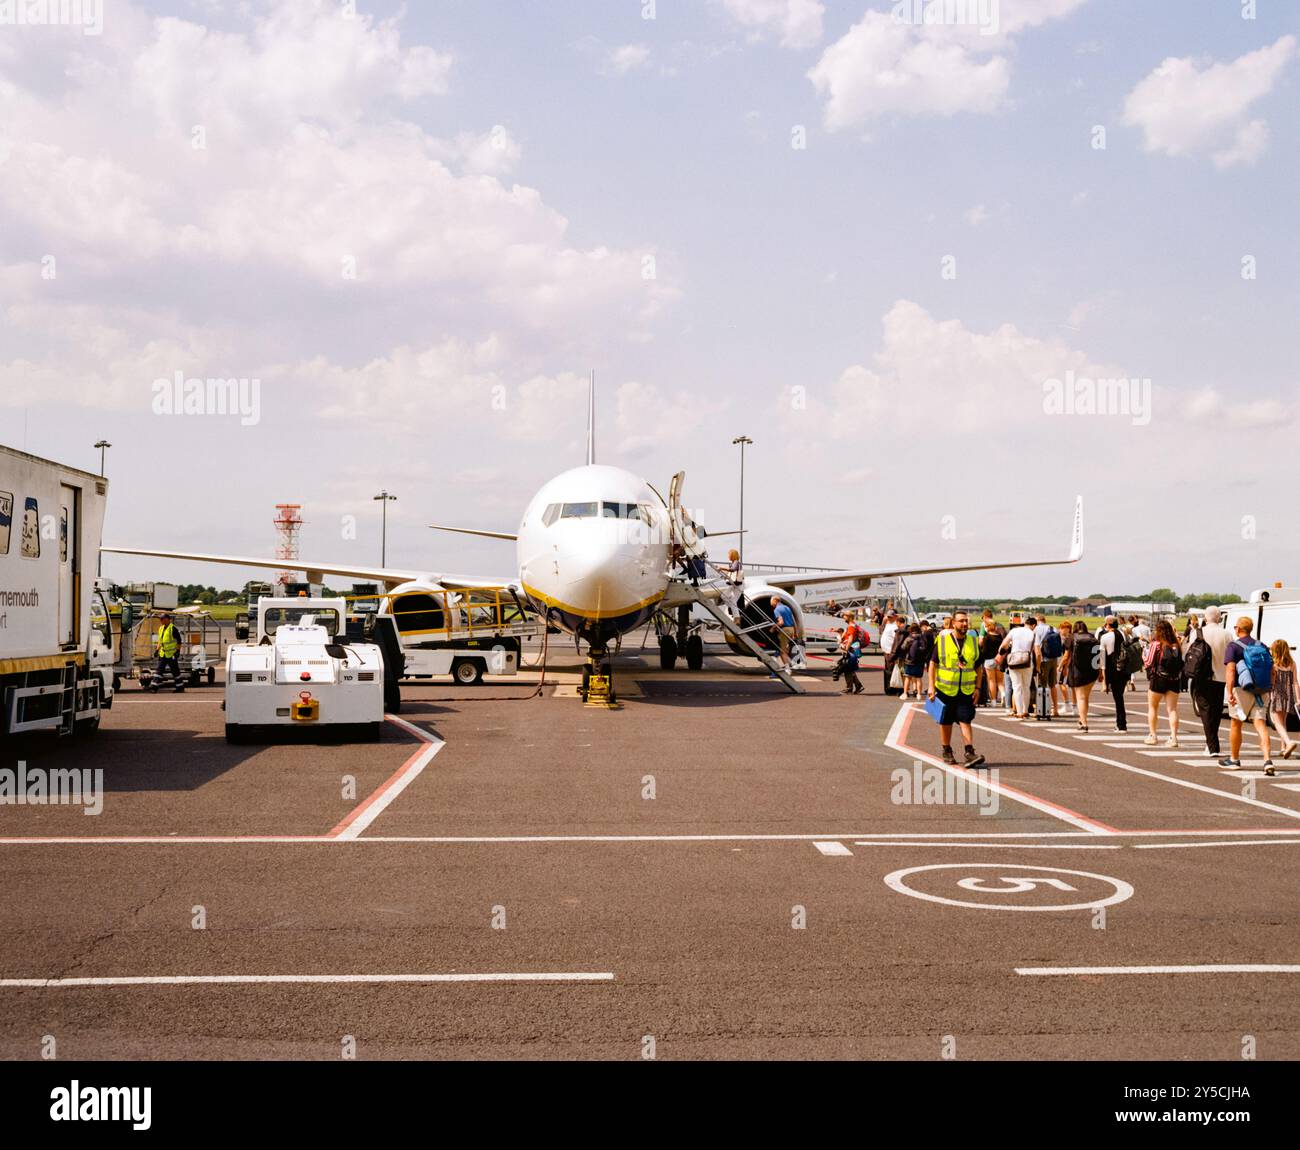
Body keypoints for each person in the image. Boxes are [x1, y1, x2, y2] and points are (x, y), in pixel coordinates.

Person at [927, 610, 986, 768]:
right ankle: (947, 750)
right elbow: (933, 663)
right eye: (961, 621)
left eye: (966, 621)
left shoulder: (973, 641)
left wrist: (978, 687)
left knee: (965, 719)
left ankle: (969, 751)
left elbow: (978, 666)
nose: (964, 624)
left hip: (966, 690)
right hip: (945, 689)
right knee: (946, 721)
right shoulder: (943, 640)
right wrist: (931, 686)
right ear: (953, 623)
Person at [1220, 616, 1273, 770]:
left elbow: (1230, 669)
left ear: (1239, 629)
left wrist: (1229, 692)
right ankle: (1267, 760)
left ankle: (1234, 759)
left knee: (1236, 724)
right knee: (1260, 724)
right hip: (1261, 689)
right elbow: (1271, 669)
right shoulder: (1261, 645)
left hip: (1241, 689)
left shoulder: (1233, 647)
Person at [1190, 606, 1230, 757]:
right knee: (1216, 710)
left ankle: (1212, 745)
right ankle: (1212, 742)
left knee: (1205, 710)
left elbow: (1190, 652)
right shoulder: (1226, 634)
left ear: (1205, 618)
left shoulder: (1197, 633)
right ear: (1219, 617)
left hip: (1202, 676)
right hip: (1220, 676)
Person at [1142, 618, 1183, 747]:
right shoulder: (1177, 644)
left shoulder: (1156, 644)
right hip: (1174, 679)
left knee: (1153, 707)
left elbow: (1148, 662)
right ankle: (1173, 737)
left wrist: (1144, 653)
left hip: (1158, 678)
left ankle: (1153, 735)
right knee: (1172, 709)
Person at [1266, 638, 1299, 772]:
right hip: (1289, 695)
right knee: (1283, 720)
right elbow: (1295, 682)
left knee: (1276, 722)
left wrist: (1270, 694)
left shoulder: (1273, 664)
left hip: (1277, 694)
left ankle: (1288, 743)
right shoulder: (1292, 663)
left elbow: (1272, 682)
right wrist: (1298, 698)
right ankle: (1283, 747)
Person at [1097, 616, 1131, 731]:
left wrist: (1103, 677)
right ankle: (1121, 722)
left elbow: (1102, 659)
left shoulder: (1104, 637)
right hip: (1125, 668)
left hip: (1113, 669)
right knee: (1119, 696)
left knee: (1118, 698)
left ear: (1107, 625)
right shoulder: (1124, 635)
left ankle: (1121, 723)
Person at [999, 615, 1036, 719]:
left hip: (1014, 661)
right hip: (1027, 661)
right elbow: (1036, 651)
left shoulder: (1014, 631)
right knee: (1026, 686)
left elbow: (1004, 645)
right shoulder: (1032, 633)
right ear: (1033, 625)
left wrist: (1000, 652)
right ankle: (1025, 710)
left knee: (1016, 687)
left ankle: (1019, 711)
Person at [1067, 620, 1100, 731]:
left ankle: (1084, 722)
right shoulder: (1092, 637)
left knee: (1080, 698)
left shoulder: (1072, 637)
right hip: (1092, 671)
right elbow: (1099, 654)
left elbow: (1067, 656)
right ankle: (1082, 719)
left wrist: (1061, 666)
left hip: (1078, 671)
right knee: (1085, 697)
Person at [1035, 616, 1063, 718]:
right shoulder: (1053, 628)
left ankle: (1042, 708)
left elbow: (1037, 648)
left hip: (1043, 660)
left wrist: (1037, 665)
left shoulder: (1037, 629)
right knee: (1052, 685)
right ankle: (1055, 709)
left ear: (1037, 621)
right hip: (1054, 659)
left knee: (1042, 685)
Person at [837, 611, 865, 695]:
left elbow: (850, 639)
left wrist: (846, 650)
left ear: (849, 617)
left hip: (850, 650)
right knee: (849, 669)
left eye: (845, 616)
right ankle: (857, 686)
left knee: (847, 669)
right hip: (850, 649)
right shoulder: (852, 626)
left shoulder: (851, 627)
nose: (843, 617)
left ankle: (849, 688)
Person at [977, 620, 1002, 707]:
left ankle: (993, 701)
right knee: (1000, 682)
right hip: (998, 660)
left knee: (991, 681)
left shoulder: (987, 637)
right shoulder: (999, 637)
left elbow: (984, 651)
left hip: (989, 661)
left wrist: (981, 658)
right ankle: (1003, 695)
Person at [769, 596, 795, 672]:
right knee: (786, 649)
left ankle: (787, 669)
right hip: (791, 629)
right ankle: (791, 663)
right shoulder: (787, 607)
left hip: (785, 630)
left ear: (775, 601)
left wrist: (772, 628)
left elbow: (781, 622)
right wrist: (795, 633)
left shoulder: (777, 609)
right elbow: (793, 621)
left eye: (771, 602)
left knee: (782, 651)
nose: (771, 604)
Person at [902, 622, 927, 699]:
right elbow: (925, 648)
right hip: (920, 662)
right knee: (919, 678)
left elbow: (903, 647)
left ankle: (905, 693)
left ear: (911, 629)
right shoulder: (922, 638)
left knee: (907, 678)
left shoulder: (909, 638)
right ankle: (919, 694)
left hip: (909, 661)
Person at [155, 612, 181, 682]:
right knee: (159, 670)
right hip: (163, 654)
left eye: (162, 619)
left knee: (175, 672)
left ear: (167, 619)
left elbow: (179, 641)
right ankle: (154, 686)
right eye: (160, 619)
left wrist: (177, 651)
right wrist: (157, 650)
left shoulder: (173, 628)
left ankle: (180, 687)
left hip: (171, 655)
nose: (160, 620)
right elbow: (160, 641)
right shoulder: (161, 628)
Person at [1057, 621, 1076, 715]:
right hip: (1074, 665)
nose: (1060, 630)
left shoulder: (1068, 639)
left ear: (1067, 629)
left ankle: (1067, 704)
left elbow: (1066, 656)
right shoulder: (1072, 638)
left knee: (1062, 684)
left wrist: (1061, 666)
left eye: (1061, 628)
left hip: (1068, 665)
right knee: (1073, 687)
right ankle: (1075, 707)